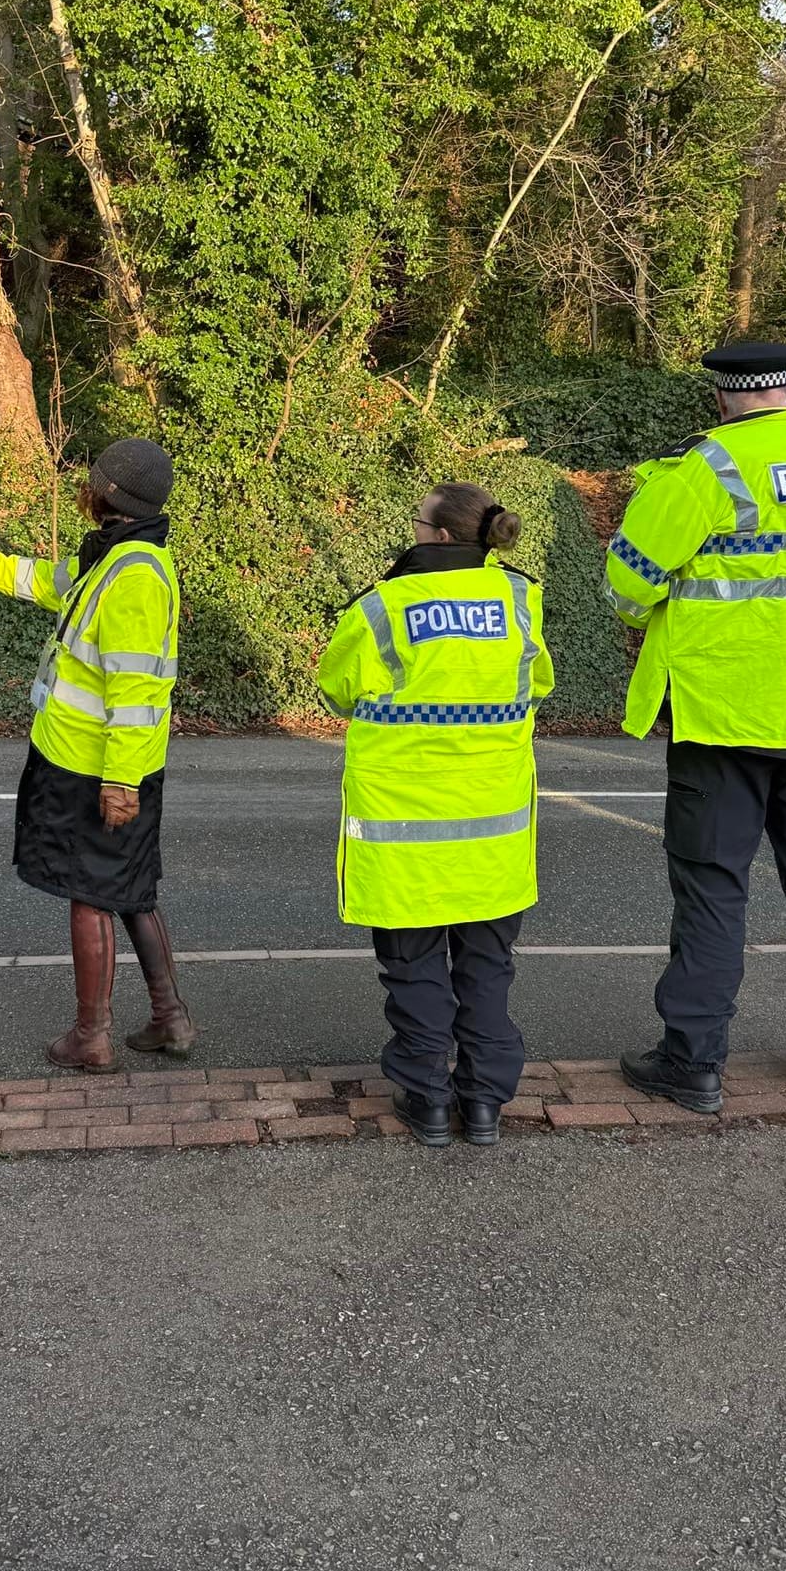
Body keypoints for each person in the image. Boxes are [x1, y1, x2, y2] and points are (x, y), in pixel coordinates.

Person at [601, 340, 786, 1114]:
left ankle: (693, 1063)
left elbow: (628, 581)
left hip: (722, 714)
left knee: (713, 890)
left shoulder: (709, 468)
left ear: (721, 398)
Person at [0, 438, 195, 1072]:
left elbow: (136, 687)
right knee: (128, 889)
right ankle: (170, 1019)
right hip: (103, 764)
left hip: (92, 768)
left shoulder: (133, 577)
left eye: (91, 479)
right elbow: (44, 582)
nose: (84, 486)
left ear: (108, 496)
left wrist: (121, 782)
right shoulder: (116, 560)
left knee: (89, 893)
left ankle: (91, 1035)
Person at [317, 482, 554, 1148]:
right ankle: (482, 1105)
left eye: (417, 520)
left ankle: (425, 1102)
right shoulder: (519, 599)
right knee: (486, 968)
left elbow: (335, 689)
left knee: (415, 968)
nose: (412, 528)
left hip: (404, 832)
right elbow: (540, 684)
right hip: (494, 829)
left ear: (442, 536)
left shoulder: (384, 607)